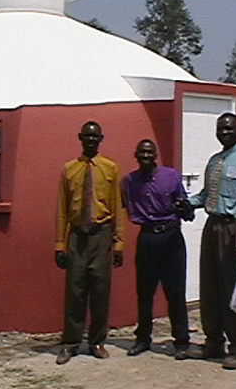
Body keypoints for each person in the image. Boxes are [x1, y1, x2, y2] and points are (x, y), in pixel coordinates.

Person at [188, 112, 236, 370]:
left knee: (232, 289)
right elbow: (204, 195)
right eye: (221, 129)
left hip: (234, 230)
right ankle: (213, 343)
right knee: (210, 286)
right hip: (212, 227)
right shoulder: (214, 161)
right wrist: (185, 204)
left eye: (229, 129)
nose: (224, 133)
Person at [55, 121, 124, 365]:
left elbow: (117, 207)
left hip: (101, 235)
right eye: (87, 137)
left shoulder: (111, 168)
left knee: (100, 290)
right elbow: (62, 209)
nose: (91, 141)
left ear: (101, 139)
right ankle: (71, 342)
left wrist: (118, 243)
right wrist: (60, 243)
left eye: (95, 137)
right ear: (80, 138)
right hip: (77, 236)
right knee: (75, 290)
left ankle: (96, 341)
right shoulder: (69, 170)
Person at [121, 139, 194, 360]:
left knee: (175, 292)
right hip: (147, 239)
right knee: (144, 293)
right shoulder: (129, 182)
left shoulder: (171, 176)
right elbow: (128, 207)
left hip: (172, 238)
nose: (145, 156)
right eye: (141, 152)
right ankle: (143, 338)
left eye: (149, 152)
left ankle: (181, 341)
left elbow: (186, 211)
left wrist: (185, 209)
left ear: (156, 155)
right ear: (136, 155)